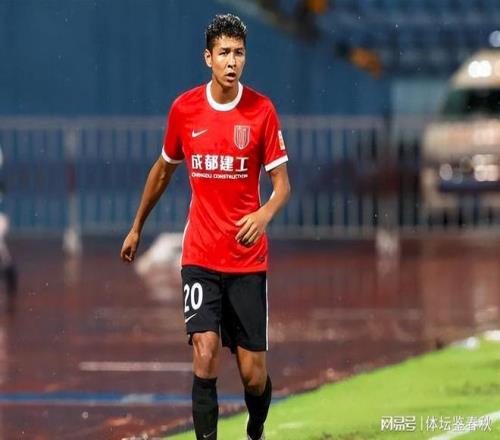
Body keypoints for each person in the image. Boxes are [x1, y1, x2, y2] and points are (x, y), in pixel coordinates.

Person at [120, 13, 290, 440]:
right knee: (205, 351)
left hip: (247, 260)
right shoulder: (185, 109)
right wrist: (137, 226)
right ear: (208, 58)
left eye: (239, 53)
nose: (232, 62)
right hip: (199, 255)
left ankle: (255, 426)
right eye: (224, 53)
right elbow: (163, 169)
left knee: (253, 375)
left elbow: (282, 185)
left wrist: (263, 214)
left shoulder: (262, 111)